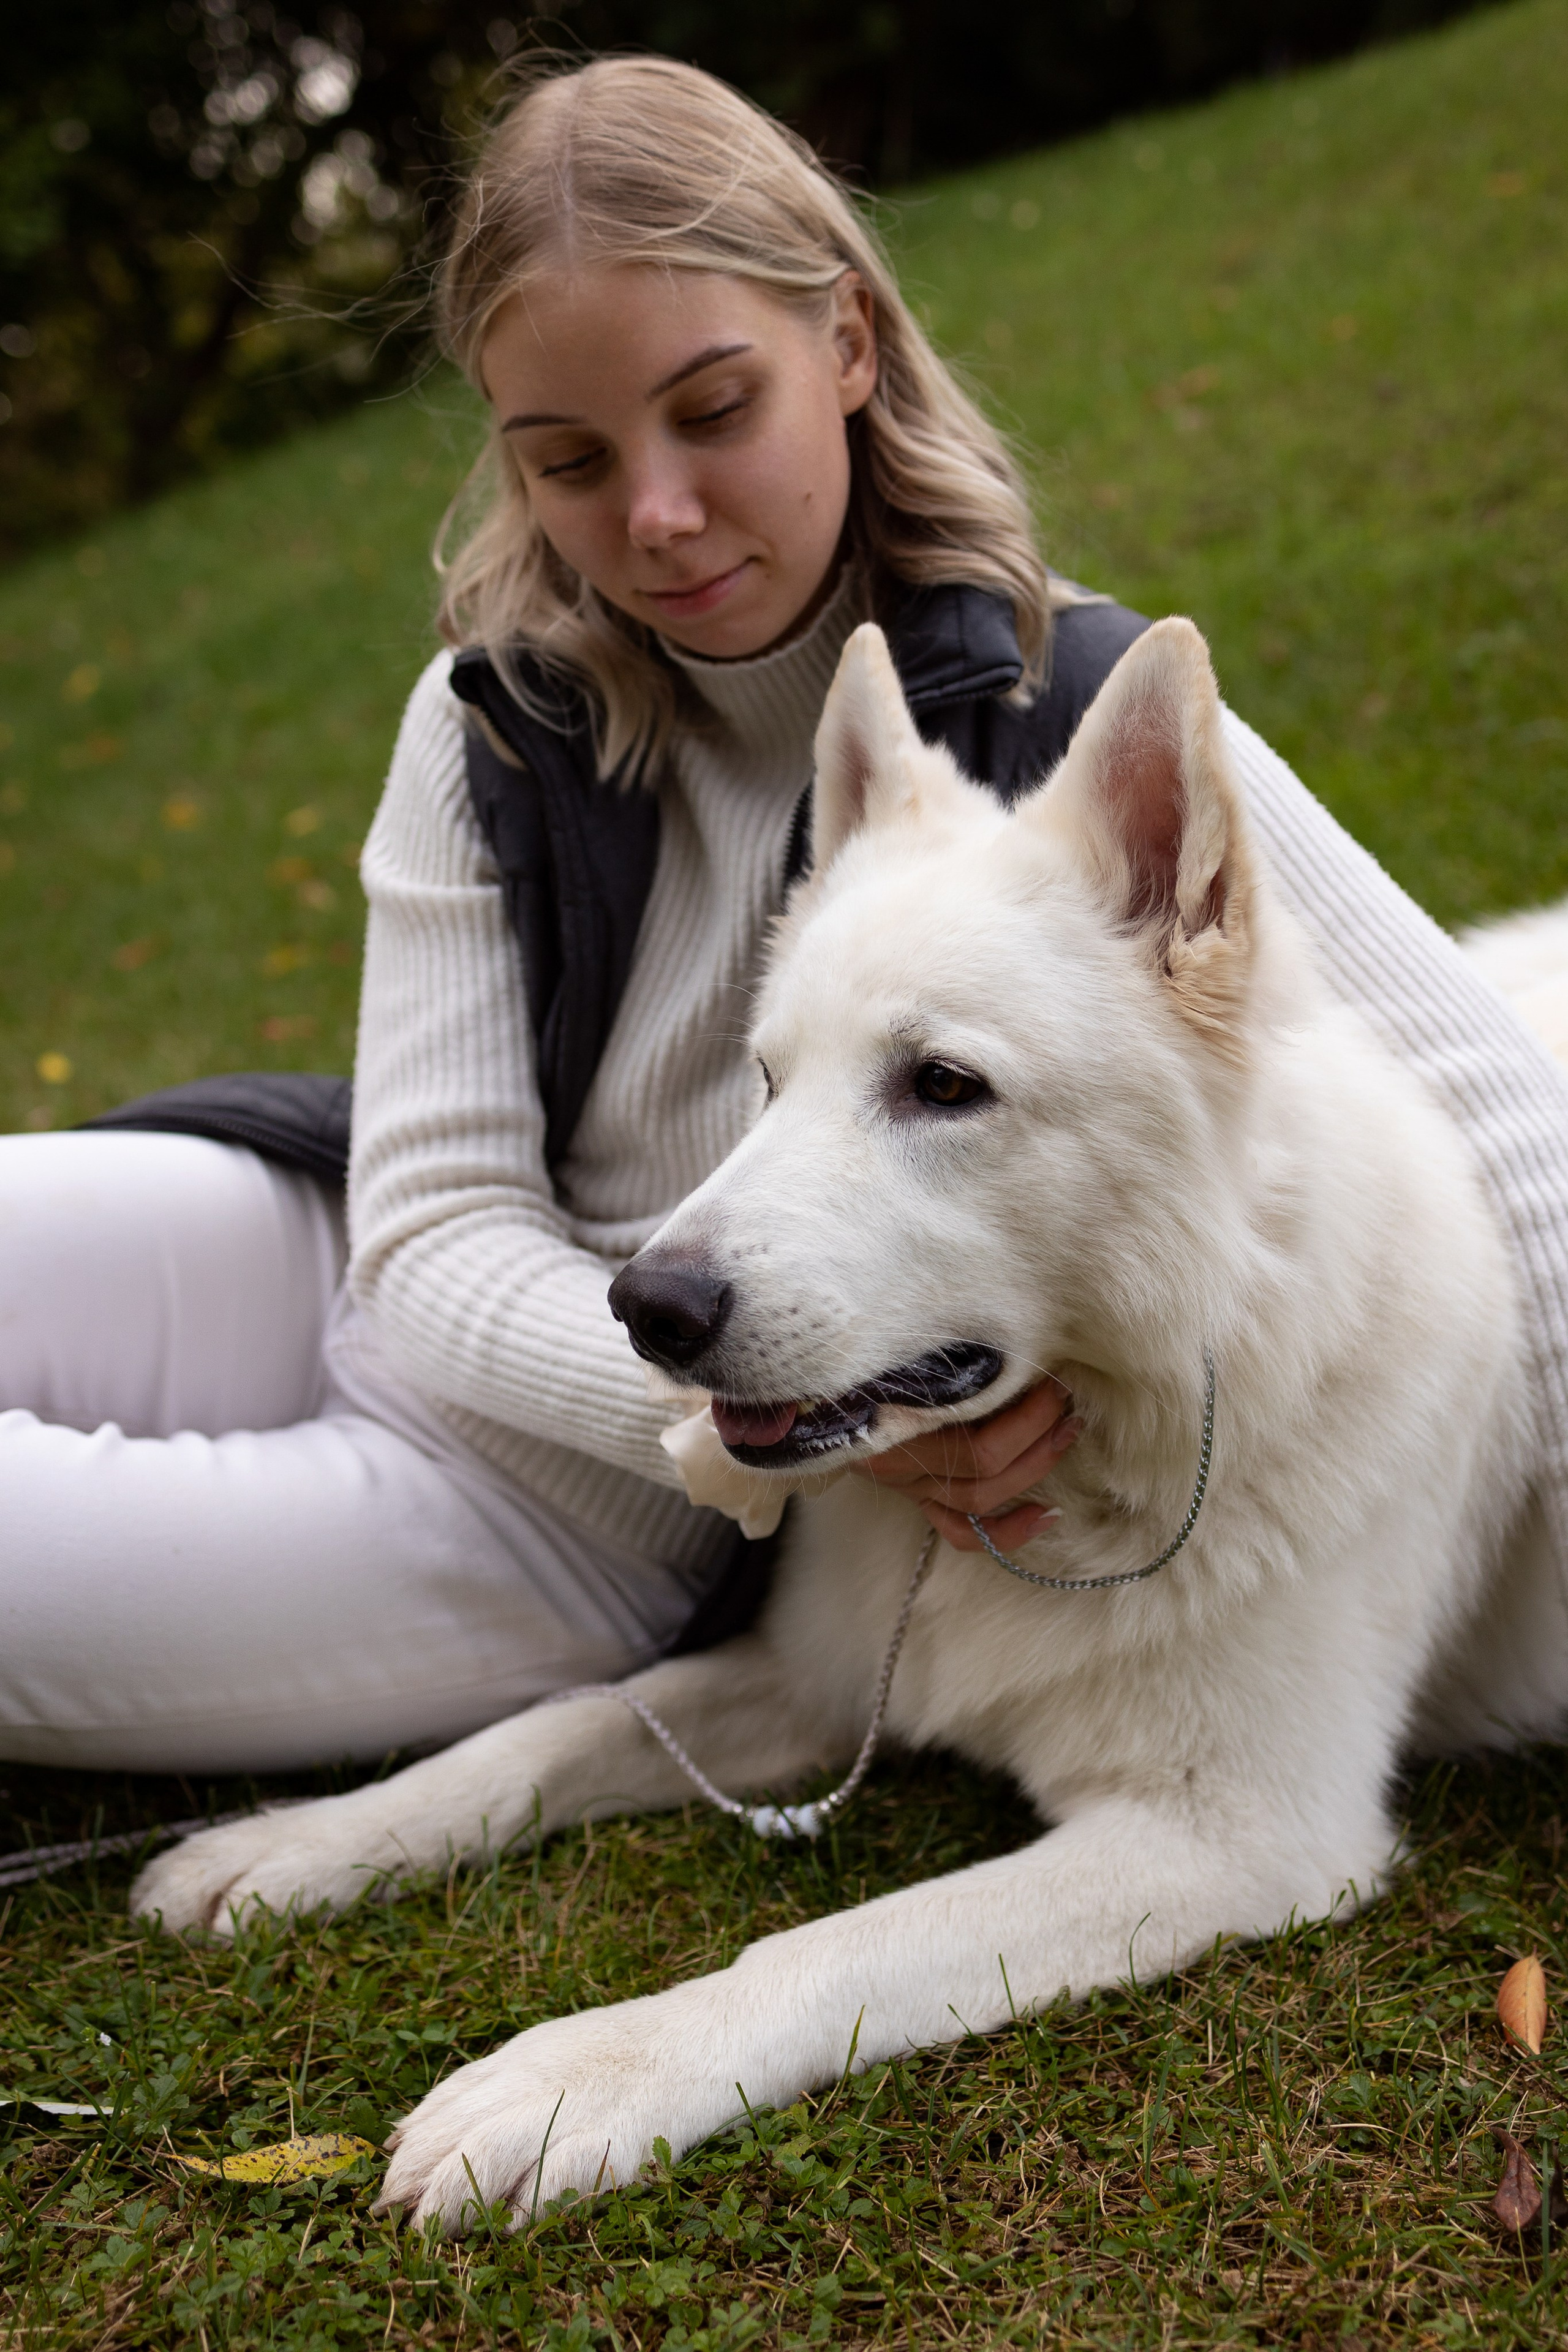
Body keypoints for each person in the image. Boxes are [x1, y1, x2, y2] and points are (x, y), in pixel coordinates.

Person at [3, 58, 1566, 1779]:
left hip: (564, 1516)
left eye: (714, 410)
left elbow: (1502, 1113)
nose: (654, 516)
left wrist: (781, 1437)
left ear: (848, 346)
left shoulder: (1071, 716)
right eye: (568, 460)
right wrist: (728, 1416)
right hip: (362, 1258)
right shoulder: (492, 724)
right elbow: (432, 1239)